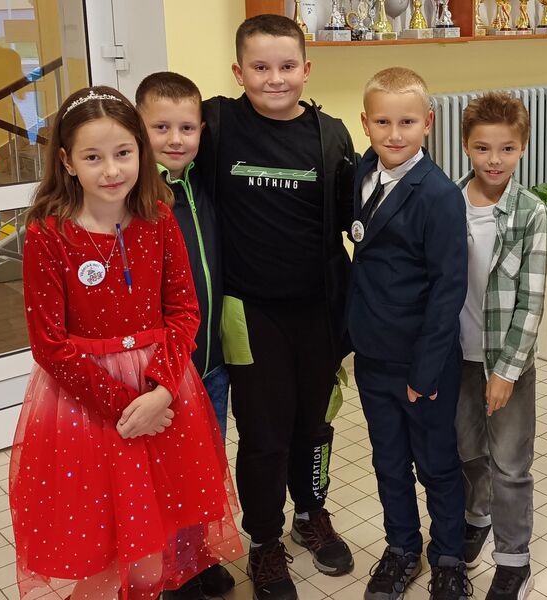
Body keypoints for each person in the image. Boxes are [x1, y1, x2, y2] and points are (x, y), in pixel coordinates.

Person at [9, 86, 241, 600]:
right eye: (93, 157)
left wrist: (161, 391)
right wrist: (126, 406)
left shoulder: (158, 219)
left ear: (140, 149)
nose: (112, 170)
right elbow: (49, 344)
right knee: (102, 549)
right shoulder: (49, 234)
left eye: (123, 153)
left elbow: (184, 312)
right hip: (86, 406)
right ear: (67, 161)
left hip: (162, 392)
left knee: (153, 547)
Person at [197, 14, 356, 600]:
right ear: (238, 71)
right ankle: (264, 540)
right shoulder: (216, 124)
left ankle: (310, 513)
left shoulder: (331, 135)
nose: (274, 78)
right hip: (249, 312)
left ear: (306, 69)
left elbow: (353, 221)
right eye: (260, 67)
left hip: (318, 311)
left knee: (314, 424)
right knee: (264, 435)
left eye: (287, 66)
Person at [347, 66, 470, 600]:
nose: (394, 134)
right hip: (372, 355)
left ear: (429, 123)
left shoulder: (438, 195)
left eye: (407, 122)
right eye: (382, 122)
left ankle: (448, 556)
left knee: (436, 464)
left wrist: (425, 370)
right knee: (388, 461)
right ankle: (401, 548)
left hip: (423, 362)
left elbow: (448, 288)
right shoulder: (361, 173)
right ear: (365, 123)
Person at [135, 71, 235, 599]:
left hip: (211, 364)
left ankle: (197, 558)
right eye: (161, 127)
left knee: (204, 470)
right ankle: (172, 572)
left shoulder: (201, 182)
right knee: (167, 476)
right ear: (138, 127)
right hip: (166, 372)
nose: (176, 139)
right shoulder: (136, 195)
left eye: (187, 128)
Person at [454, 92, 547, 599]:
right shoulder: (447, 203)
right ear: (465, 146)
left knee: (510, 463)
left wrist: (506, 371)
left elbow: (531, 303)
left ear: (522, 147)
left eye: (507, 149)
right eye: (483, 148)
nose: (495, 160)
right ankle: (477, 516)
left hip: (507, 363)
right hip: (457, 359)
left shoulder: (530, 213)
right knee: (467, 450)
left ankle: (513, 559)